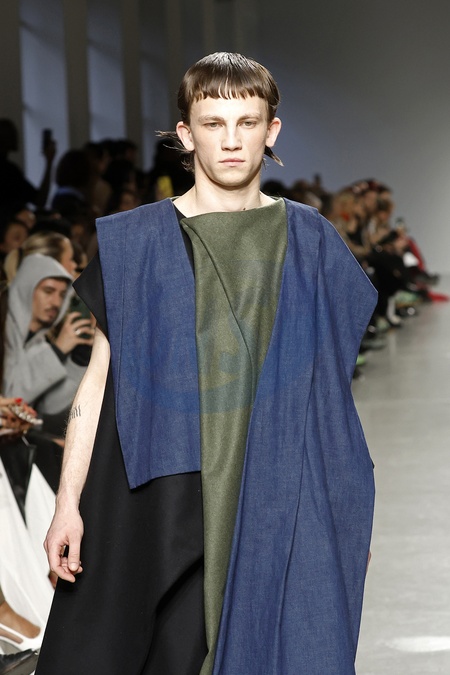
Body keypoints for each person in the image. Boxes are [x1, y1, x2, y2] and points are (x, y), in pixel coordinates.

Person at [37, 52, 377, 675]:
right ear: (186, 134)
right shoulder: (137, 242)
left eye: (247, 123)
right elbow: (98, 380)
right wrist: (67, 503)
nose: (231, 140)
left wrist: (337, 511)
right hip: (160, 497)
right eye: (213, 124)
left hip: (275, 491)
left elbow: (329, 396)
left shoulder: (309, 241)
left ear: (271, 130)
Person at [3, 254, 94, 416]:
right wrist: (57, 351)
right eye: (48, 291)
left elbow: (49, 406)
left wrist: (79, 360)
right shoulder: (4, 331)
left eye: (62, 295)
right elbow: (10, 396)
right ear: (26, 288)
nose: (56, 303)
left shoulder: (40, 344)